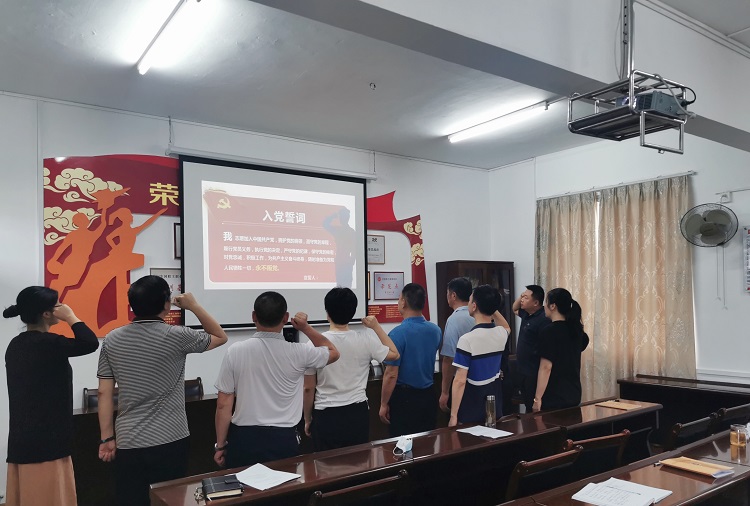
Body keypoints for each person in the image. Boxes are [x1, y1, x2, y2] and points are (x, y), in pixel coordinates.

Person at [96, 275, 228, 506]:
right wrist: (194, 306)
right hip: (171, 438)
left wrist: (107, 438)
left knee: (132, 499)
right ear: (167, 304)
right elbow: (220, 336)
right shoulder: (177, 335)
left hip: (129, 439)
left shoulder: (112, 340)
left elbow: (104, 393)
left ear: (132, 305)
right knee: (169, 500)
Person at [214, 292, 340, 468]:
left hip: (244, 438)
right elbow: (333, 352)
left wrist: (220, 445)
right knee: (284, 485)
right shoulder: (300, 352)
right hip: (283, 439)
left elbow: (223, 404)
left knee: (244, 485)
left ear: (253, 316)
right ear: (286, 318)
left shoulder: (235, 351)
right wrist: (305, 328)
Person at [4, 286, 99, 506]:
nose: (62, 307)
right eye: (58, 305)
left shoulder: (15, 345)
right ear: (47, 313)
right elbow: (90, 342)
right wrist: (71, 317)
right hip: (47, 440)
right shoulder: (49, 344)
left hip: (22, 438)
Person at [303, 287, 399, 450]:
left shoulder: (313, 344)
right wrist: (376, 326)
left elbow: (308, 388)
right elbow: (394, 354)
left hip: (326, 413)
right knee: (358, 461)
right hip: (357, 412)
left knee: (327, 463)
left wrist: (307, 419)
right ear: (353, 312)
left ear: (327, 313)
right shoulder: (365, 339)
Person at [379, 283, 442, 437]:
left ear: (404, 302)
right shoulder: (436, 330)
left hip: (405, 399)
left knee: (403, 445)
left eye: (399, 298)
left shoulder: (397, 334)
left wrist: (383, 403)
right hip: (429, 395)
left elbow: (391, 374)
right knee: (427, 443)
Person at [448, 285, 510, 426]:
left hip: (472, 405)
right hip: (494, 403)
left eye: (470, 300)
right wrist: (492, 306)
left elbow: (460, 381)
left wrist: (453, 415)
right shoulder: (501, 334)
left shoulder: (467, 340)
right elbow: (506, 326)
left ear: (474, 306)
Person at [532, 288, 590, 412]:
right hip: (573, 393)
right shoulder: (577, 331)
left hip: (554, 395)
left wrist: (537, 398)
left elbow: (546, 367)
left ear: (553, 306)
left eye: (546, 303)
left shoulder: (548, 332)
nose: (544, 306)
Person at [439, 277, 476, 413]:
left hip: (462, 381)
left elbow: (449, 358)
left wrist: (445, 392)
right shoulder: (479, 314)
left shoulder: (454, 319)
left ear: (453, 296)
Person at [512, 284, 551, 412]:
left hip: (534, 372)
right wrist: (523, 295)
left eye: (526, 298)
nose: (522, 300)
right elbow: (514, 308)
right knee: (527, 406)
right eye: (522, 297)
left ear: (536, 303)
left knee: (534, 409)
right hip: (522, 370)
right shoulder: (526, 313)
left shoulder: (543, 319)